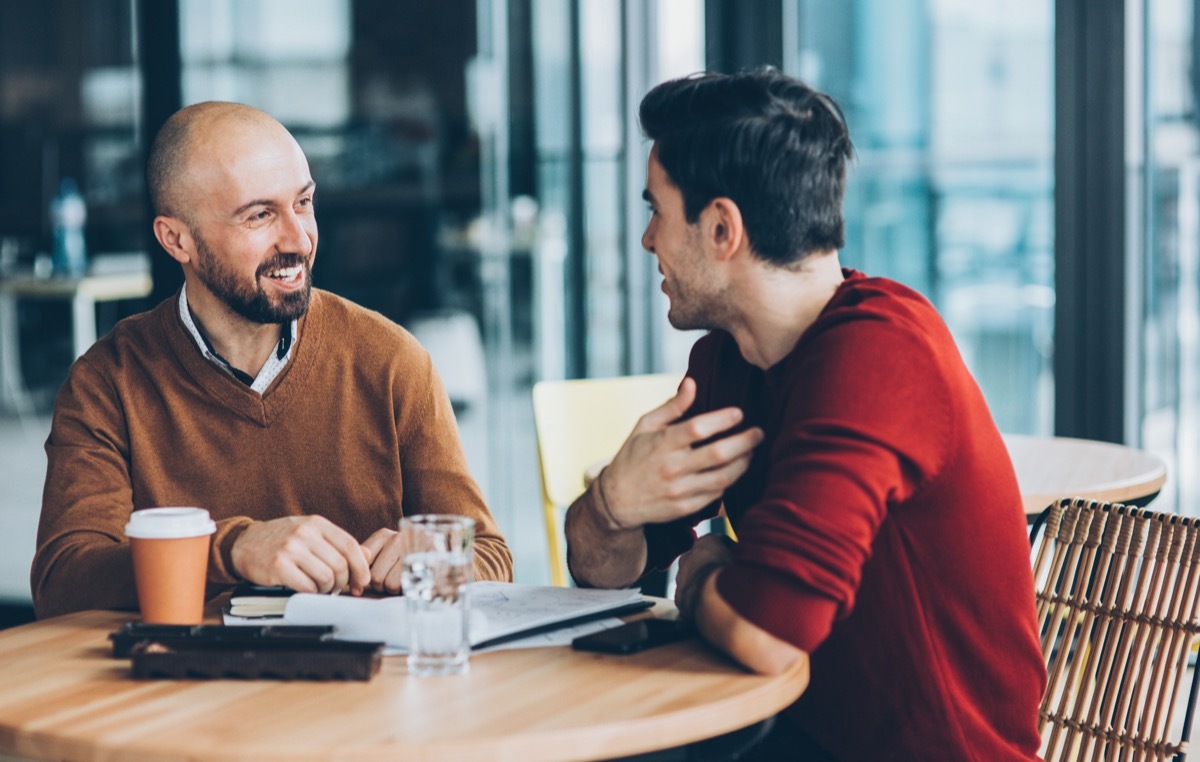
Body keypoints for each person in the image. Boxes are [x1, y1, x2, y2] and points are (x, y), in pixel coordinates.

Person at [564, 69, 1046, 760]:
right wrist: (612, 504)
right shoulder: (726, 362)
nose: (647, 241)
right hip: (799, 735)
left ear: (723, 228)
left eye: (657, 211)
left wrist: (698, 581)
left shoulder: (882, 355)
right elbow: (601, 570)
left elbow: (771, 631)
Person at [31, 102, 512, 619]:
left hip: (363, 690)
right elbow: (64, 580)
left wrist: (434, 556)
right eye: (260, 215)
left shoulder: (392, 361)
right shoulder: (109, 382)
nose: (299, 239)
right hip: (188, 693)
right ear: (177, 240)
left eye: (303, 203)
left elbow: (488, 556)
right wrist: (232, 551)